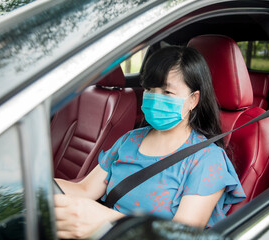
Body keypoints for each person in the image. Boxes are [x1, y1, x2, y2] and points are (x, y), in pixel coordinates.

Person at [54, 46, 246, 239]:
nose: (155, 98)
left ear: (193, 100)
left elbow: (180, 235)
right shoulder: (130, 140)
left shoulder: (208, 160)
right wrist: (32, 188)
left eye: (167, 92)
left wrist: (105, 220)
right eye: (149, 89)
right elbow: (85, 189)